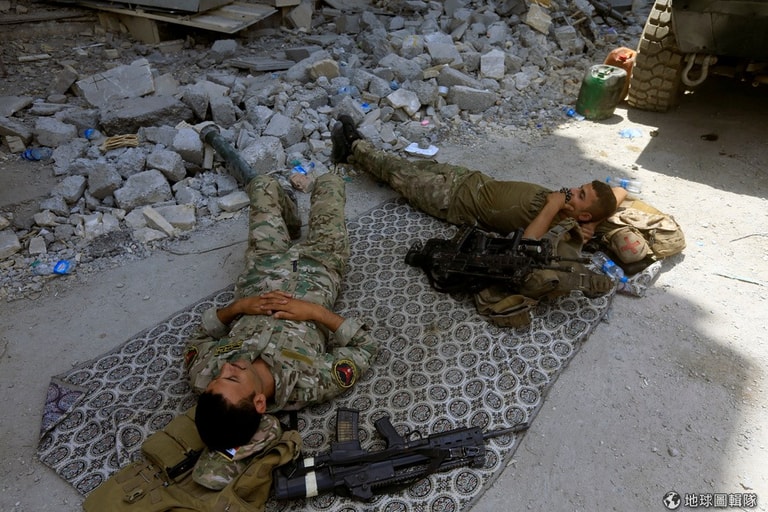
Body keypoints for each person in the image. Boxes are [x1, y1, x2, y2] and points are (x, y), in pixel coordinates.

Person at [184, 168, 379, 451]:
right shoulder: (310, 382)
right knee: (330, 183)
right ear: (259, 403)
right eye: (233, 377)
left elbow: (200, 337)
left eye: (219, 376)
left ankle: (292, 222)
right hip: (320, 265)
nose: (226, 367)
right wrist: (314, 313)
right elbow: (367, 347)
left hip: (262, 268)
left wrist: (238, 308)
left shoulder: (204, 375)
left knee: (262, 183)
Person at [331, 115, 626, 246]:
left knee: (397, 172)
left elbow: (527, 245)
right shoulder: (579, 215)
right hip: (468, 178)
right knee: (411, 166)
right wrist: (595, 221)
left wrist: (554, 205)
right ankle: (354, 157)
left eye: (581, 195)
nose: (573, 190)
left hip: (452, 201)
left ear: (582, 213)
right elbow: (619, 192)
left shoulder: (560, 227)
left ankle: (355, 146)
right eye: (580, 187)